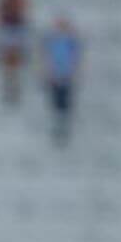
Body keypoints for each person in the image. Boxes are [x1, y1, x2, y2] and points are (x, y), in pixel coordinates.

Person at [41, 15, 82, 146]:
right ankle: (57, 128)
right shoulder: (52, 41)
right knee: (56, 103)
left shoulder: (70, 41)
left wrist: (73, 73)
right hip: (56, 76)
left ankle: (64, 128)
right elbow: (48, 58)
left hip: (66, 76)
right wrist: (49, 73)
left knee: (65, 103)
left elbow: (75, 59)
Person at [0, 0, 29, 106]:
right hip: (7, 29)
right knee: (8, 65)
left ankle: (15, 90)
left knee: (15, 63)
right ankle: (7, 89)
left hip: (17, 29)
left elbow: (24, 10)